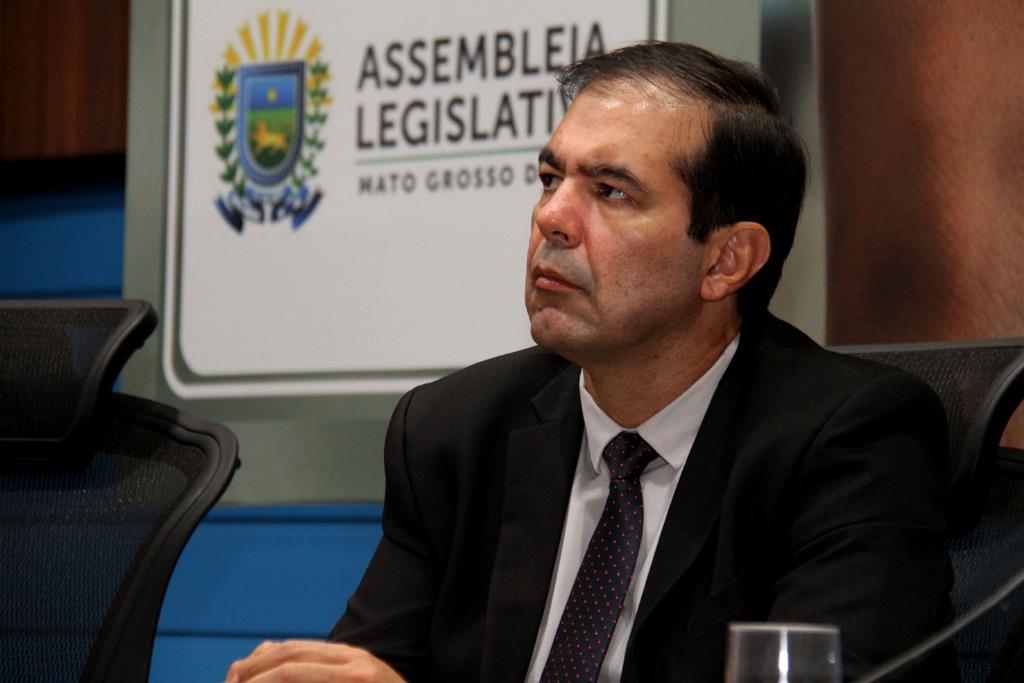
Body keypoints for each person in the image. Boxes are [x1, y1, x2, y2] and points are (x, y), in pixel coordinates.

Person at [226, 42, 954, 683]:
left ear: (726, 260)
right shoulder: (455, 432)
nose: (551, 217)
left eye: (610, 192)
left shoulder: (846, 444)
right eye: (551, 178)